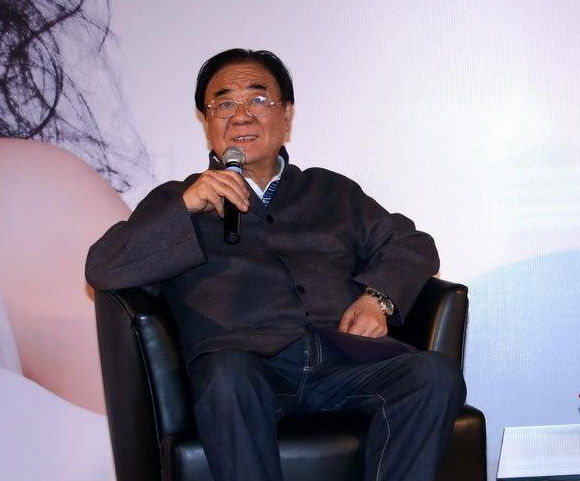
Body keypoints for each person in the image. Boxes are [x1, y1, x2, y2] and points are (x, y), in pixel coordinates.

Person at [85, 48, 466, 481]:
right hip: (245, 369)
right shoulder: (177, 200)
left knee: (434, 374)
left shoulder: (331, 191)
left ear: (286, 115)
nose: (240, 115)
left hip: (342, 361)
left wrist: (377, 299)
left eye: (258, 99)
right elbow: (104, 267)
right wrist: (184, 208)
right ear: (207, 121)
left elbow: (412, 244)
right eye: (224, 104)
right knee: (227, 374)